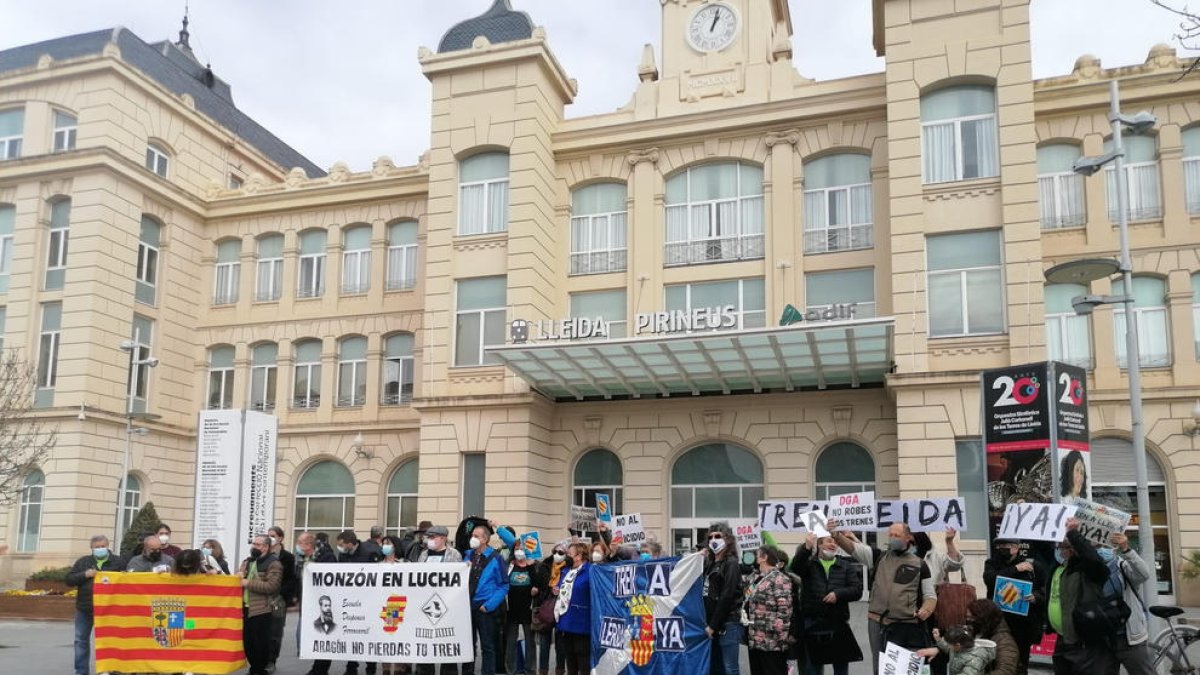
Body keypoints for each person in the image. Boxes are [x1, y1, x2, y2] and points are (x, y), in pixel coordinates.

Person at [831, 519, 936, 674]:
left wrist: (927, 609)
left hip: (905, 624)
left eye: (897, 535)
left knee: (901, 668)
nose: (893, 537)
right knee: (880, 666)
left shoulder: (920, 564)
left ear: (908, 538)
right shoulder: (878, 557)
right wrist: (836, 535)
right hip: (877, 622)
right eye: (891, 534)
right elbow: (853, 548)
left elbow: (930, 595)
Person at [1044, 517, 1113, 675]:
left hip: (1082, 642)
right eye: (1059, 546)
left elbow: (1093, 560)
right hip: (1062, 639)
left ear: (1075, 549)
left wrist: (1074, 533)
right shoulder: (1060, 568)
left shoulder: (1090, 571)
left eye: (1065, 547)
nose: (1061, 550)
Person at [789, 533, 864, 675]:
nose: (833, 544)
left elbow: (857, 590)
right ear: (820, 545)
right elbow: (796, 568)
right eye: (829, 541)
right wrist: (806, 548)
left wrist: (838, 594)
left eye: (836, 542)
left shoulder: (846, 566)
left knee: (841, 668)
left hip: (838, 624)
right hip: (813, 624)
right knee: (813, 668)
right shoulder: (810, 564)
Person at [66, 534, 127, 675]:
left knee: (112, 641)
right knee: (81, 641)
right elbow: (69, 580)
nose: (100, 549)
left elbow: (128, 580)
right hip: (85, 608)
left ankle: (111, 670)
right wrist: (85, 575)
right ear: (91, 549)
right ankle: (81, 671)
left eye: (103, 546)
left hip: (110, 609)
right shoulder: (83, 562)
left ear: (108, 546)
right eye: (97, 547)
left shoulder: (118, 562)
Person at [983, 538, 1045, 672]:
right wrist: (1015, 569)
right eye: (1000, 545)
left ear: (1016, 548)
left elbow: (1044, 589)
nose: (1003, 548)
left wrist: (1036, 597)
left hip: (1022, 624)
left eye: (1007, 545)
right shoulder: (991, 564)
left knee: (1020, 662)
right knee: (998, 661)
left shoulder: (1033, 566)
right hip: (998, 622)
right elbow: (991, 580)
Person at [1100, 531, 1155, 675]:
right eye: (1099, 545)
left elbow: (1144, 574)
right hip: (1103, 639)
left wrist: (1126, 549)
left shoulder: (1122, 566)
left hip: (1129, 637)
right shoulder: (1090, 569)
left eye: (1105, 545)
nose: (1102, 549)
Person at [415, 525, 463, 675]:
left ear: (443, 538)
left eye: (432, 537)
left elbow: (458, 578)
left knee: (446, 641)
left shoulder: (453, 554)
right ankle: (424, 670)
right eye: (428, 537)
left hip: (446, 605)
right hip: (425, 604)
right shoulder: (423, 555)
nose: (429, 540)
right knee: (425, 640)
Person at [463, 524, 509, 675]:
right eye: (472, 535)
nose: (472, 538)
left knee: (488, 646)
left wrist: (489, 605)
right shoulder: (468, 555)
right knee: (468, 645)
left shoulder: (496, 558)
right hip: (468, 607)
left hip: (485, 608)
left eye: (476, 536)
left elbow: (504, 585)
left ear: (485, 539)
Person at [743, 546, 793, 675]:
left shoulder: (779, 578)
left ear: (764, 557)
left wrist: (779, 636)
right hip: (755, 638)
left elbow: (784, 610)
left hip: (772, 641)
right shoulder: (755, 577)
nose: (754, 557)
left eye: (757, 554)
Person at [702, 521, 743, 675]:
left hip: (727, 624)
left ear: (727, 539)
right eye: (710, 537)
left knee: (729, 668)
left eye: (718, 536)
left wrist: (713, 625)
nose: (714, 540)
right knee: (715, 667)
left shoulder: (731, 563)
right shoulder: (710, 564)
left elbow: (726, 597)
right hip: (712, 624)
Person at [295, 531, 338, 675]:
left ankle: (320, 669)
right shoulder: (300, 558)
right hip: (306, 604)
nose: (297, 546)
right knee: (304, 637)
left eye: (299, 543)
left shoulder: (326, 557)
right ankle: (317, 667)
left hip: (323, 603)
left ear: (308, 544)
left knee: (324, 636)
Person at [241, 534, 283, 675]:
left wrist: (248, 583)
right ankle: (254, 668)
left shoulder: (274, 563)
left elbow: (271, 586)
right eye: (253, 544)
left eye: (258, 544)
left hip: (263, 610)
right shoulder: (247, 562)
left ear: (266, 547)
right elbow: (239, 580)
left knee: (261, 644)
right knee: (248, 644)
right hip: (246, 608)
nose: (254, 547)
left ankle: (259, 670)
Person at [554, 542, 593, 675]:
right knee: (570, 661)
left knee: (583, 662)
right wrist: (557, 589)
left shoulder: (590, 571)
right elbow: (563, 588)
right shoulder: (566, 571)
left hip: (581, 623)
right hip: (566, 621)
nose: (567, 557)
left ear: (579, 556)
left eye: (570, 554)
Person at [534, 541, 571, 675]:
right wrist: (539, 590)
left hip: (562, 609)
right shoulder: (545, 565)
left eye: (560, 553)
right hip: (546, 608)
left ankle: (560, 670)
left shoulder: (569, 567)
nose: (557, 555)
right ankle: (543, 670)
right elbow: (537, 583)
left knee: (560, 644)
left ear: (566, 554)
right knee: (544, 643)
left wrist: (561, 590)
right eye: (555, 552)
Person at [504, 540, 539, 675]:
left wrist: (535, 588)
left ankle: (530, 670)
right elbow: (502, 582)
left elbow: (538, 583)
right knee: (510, 642)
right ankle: (510, 670)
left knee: (530, 642)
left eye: (522, 548)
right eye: (517, 548)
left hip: (528, 610)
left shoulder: (534, 566)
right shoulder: (509, 566)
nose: (519, 551)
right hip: (511, 609)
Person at [268, 525, 297, 674]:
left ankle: (272, 660)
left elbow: (291, 579)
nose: (270, 538)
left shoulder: (288, 557)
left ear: (280, 538)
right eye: (268, 535)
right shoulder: (263, 554)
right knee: (260, 631)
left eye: (273, 535)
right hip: (263, 599)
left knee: (275, 631)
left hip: (279, 599)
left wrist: (281, 595)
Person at [963, 599, 1019, 675]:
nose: (969, 621)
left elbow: (1006, 671)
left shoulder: (1004, 641)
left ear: (984, 618)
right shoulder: (978, 632)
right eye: (967, 617)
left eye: (972, 618)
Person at [919, 625, 996, 675]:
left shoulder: (975, 659)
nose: (948, 646)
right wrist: (938, 640)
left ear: (958, 645)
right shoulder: (957, 647)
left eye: (949, 644)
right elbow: (948, 648)